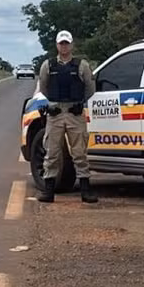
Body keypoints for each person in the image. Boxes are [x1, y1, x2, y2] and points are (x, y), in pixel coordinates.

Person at [37, 30, 96, 204]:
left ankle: (85, 190)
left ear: (71, 45)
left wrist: (81, 103)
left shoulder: (81, 65)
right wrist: (52, 103)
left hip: (74, 113)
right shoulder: (48, 65)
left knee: (79, 152)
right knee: (52, 152)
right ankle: (49, 191)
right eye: (61, 43)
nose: (64, 46)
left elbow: (90, 87)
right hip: (55, 113)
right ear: (57, 45)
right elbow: (44, 87)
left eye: (67, 43)